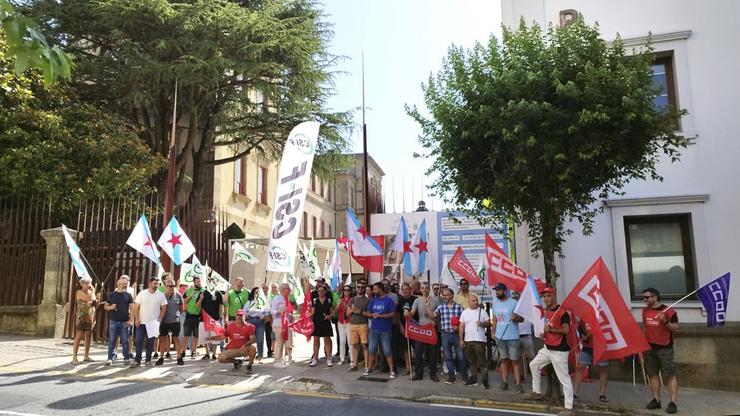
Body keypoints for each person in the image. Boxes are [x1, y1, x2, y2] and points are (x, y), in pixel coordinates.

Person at [526, 287, 574, 415]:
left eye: (548, 296)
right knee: (533, 364)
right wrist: (544, 334)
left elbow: (566, 330)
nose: (546, 299)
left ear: (554, 296)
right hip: (548, 347)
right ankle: (536, 391)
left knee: (564, 378)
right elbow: (548, 327)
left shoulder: (562, 312)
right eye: (544, 296)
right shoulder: (546, 311)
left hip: (559, 350)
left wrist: (550, 330)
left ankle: (569, 408)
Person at [642, 288, 679, 414]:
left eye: (647, 297)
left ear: (655, 297)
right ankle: (656, 400)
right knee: (652, 373)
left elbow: (675, 328)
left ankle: (673, 402)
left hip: (664, 347)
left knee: (669, 374)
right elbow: (645, 328)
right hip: (649, 347)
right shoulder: (645, 311)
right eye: (644, 298)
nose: (645, 300)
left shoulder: (669, 310)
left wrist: (666, 322)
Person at [492, 283, 524, 393]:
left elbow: (521, 319)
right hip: (500, 336)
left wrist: (516, 317)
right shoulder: (495, 304)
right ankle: (504, 382)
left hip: (513, 337)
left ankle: (518, 384)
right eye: (496, 290)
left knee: (515, 360)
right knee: (504, 359)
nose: (497, 292)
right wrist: (493, 331)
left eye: (499, 290)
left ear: (505, 291)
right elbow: (495, 319)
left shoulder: (514, 303)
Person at [130, 277, 167, 367]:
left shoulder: (161, 295)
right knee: (138, 341)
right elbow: (136, 307)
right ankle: (137, 361)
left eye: (157, 284)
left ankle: (148, 361)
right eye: (155, 283)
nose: (156, 285)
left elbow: (164, 307)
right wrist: (137, 319)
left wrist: (160, 319)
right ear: (150, 283)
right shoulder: (142, 293)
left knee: (150, 342)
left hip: (153, 324)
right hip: (141, 322)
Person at [408, 281, 440, 382]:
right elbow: (412, 313)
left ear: (429, 289)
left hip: (431, 329)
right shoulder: (417, 301)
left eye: (426, 288)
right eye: (423, 288)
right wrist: (407, 313)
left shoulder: (435, 300)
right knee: (418, 353)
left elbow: (438, 315)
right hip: (420, 329)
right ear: (420, 289)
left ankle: (433, 374)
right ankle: (418, 374)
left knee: (432, 353)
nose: (425, 290)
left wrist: (435, 321)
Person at [434, 287, 467, 384]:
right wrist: (427, 306)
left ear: (452, 295)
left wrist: (458, 327)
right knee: (447, 357)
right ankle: (451, 376)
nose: (445, 297)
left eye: (447, 295)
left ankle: (464, 376)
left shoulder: (459, 307)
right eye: (444, 295)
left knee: (460, 356)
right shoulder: (440, 307)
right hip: (445, 334)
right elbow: (432, 316)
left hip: (456, 334)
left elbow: (463, 321)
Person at [364, 282, 397, 379]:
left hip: (385, 330)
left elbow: (393, 314)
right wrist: (371, 314)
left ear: (380, 289)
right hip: (374, 329)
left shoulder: (389, 300)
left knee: (387, 351)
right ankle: (369, 368)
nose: (373, 291)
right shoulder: (373, 300)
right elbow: (369, 311)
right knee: (371, 350)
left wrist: (380, 316)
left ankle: (392, 371)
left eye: (375, 289)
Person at [459, 293, 491, 388]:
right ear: (468, 302)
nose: (476, 302)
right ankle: (473, 378)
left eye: (476, 300)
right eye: (473, 300)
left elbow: (489, 323)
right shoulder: (464, 312)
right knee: (471, 361)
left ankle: (485, 380)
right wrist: (461, 339)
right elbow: (461, 327)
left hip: (479, 340)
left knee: (482, 362)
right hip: (468, 340)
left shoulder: (482, 311)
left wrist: (482, 324)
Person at [573, 320, 609, 402]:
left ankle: (602, 394)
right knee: (580, 366)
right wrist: (582, 335)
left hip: (601, 346)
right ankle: (575, 392)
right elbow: (580, 327)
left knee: (603, 368)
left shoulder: (604, 315)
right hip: (587, 346)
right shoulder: (586, 313)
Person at [71, 277, 100, 365]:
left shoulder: (91, 293)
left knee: (88, 335)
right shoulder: (79, 292)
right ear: (81, 284)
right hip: (81, 317)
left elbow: (96, 306)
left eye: (89, 283)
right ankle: (74, 357)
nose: (88, 285)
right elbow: (88, 299)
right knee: (79, 335)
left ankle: (86, 355)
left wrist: (98, 299)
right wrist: (94, 291)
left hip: (90, 316)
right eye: (86, 283)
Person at [104, 276, 132, 366]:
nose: (125, 285)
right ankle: (110, 358)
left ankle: (126, 358)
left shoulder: (128, 295)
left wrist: (131, 320)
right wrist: (110, 307)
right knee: (112, 340)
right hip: (113, 321)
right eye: (124, 283)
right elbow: (105, 307)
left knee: (125, 341)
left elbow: (132, 308)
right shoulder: (111, 295)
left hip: (124, 321)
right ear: (118, 284)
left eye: (126, 283)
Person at [156, 279, 184, 366]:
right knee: (163, 339)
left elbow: (181, 308)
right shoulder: (161, 296)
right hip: (164, 321)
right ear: (165, 286)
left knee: (176, 339)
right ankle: (161, 358)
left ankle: (179, 358)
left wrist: (177, 316)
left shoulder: (179, 296)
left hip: (175, 322)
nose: (171, 288)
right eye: (169, 286)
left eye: (173, 286)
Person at [309, 285, 334, 367]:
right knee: (316, 341)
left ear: (325, 291)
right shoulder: (315, 301)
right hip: (316, 322)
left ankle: (329, 358)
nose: (320, 292)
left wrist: (329, 316)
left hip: (326, 322)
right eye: (319, 291)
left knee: (327, 340)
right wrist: (307, 315)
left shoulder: (329, 300)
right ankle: (315, 358)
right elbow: (312, 312)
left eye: (322, 290)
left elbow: (332, 312)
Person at [347, 280, 369, 372]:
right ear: (356, 288)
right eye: (358, 287)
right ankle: (355, 364)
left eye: (362, 287)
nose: (360, 288)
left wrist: (358, 311)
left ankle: (367, 365)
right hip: (353, 325)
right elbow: (347, 314)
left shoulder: (367, 300)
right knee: (354, 345)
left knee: (364, 345)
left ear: (364, 288)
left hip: (363, 324)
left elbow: (369, 314)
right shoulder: (352, 299)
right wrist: (352, 310)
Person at [270, 283, 292, 368]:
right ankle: (276, 361)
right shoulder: (276, 298)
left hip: (286, 323)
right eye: (287, 288)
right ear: (282, 290)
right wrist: (281, 310)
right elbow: (272, 311)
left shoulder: (287, 299)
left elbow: (287, 311)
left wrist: (290, 316)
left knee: (283, 342)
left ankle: (280, 359)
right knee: (279, 342)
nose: (289, 290)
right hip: (278, 323)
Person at [396, 282, 416, 375]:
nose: (405, 291)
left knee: (417, 349)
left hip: (414, 327)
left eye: (407, 289)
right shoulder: (399, 301)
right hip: (404, 328)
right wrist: (400, 326)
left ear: (410, 290)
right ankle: (408, 368)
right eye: (403, 289)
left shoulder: (415, 299)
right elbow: (397, 315)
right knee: (405, 349)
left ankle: (417, 367)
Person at [182, 276, 205, 358]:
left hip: (198, 316)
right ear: (194, 282)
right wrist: (190, 296)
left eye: (200, 281)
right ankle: (183, 351)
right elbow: (184, 301)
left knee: (196, 335)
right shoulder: (188, 291)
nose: (199, 283)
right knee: (186, 335)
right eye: (197, 281)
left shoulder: (203, 291)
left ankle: (194, 351)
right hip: (188, 315)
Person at [244, 286, 269, 361]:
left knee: (260, 340)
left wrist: (264, 316)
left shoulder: (263, 302)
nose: (257, 294)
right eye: (256, 292)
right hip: (250, 322)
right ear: (253, 293)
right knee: (250, 340)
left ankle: (260, 356)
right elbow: (244, 311)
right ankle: (249, 355)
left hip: (260, 322)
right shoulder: (249, 302)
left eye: (259, 292)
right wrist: (246, 315)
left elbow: (267, 311)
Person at [200, 288, 225, 361]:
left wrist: (220, 316)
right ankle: (207, 354)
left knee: (215, 338)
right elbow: (198, 305)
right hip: (204, 318)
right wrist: (201, 298)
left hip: (215, 319)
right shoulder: (203, 292)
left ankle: (214, 354)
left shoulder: (218, 293)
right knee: (205, 337)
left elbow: (221, 306)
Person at [336, 284, 353, 365]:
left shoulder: (352, 300)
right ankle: (342, 359)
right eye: (345, 290)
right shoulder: (340, 299)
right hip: (340, 322)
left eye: (348, 290)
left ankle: (352, 359)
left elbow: (352, 310)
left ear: (350, 291)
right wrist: (339, 304)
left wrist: (346, 305)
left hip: (349, 322)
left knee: (350, 341)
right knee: (342, 341)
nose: (346, 291)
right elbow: (336, 310)